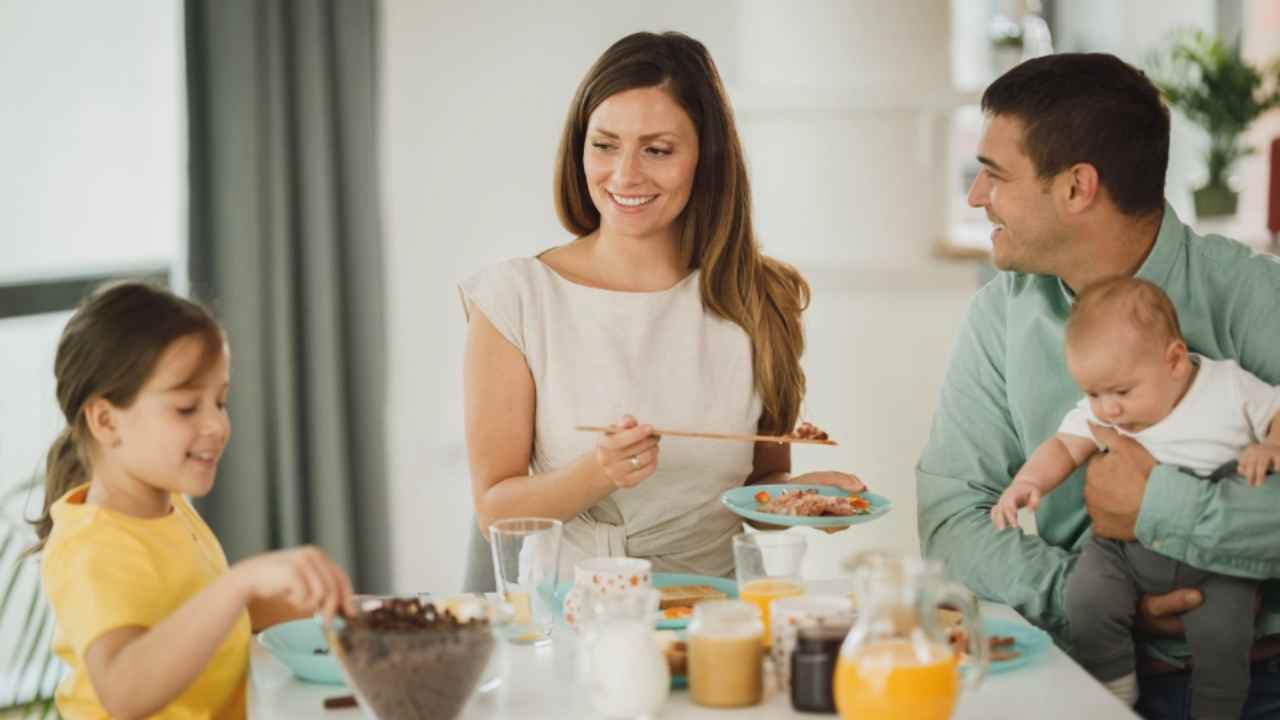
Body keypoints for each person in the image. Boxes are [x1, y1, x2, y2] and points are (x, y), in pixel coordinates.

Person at [915, 52, 1280, 719]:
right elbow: (950, 519)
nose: (975, 196)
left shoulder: (1255, 298)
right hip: (1069, 664)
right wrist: (1095, 597)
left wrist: (1162, 508)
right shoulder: (1001, 314)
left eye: (994, 174)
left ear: (1078, 187)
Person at [460, 31, 863, 579]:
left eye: (657, 149)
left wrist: (805, 499)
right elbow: (494, 512)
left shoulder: (759, 297)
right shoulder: (515, 298)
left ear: (706, 158)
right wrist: (597, 473)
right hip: (573, 610)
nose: (625, 175)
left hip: (718, 617)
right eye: (604, 145)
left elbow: (756, 493)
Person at [31, 282, 355, 719]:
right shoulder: (92, 547)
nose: (217, 426)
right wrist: (241, 581)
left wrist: (348, 615)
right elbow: (125, 692)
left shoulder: (171, 506)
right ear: (106, 421)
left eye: (220, 402)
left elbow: (207, 613)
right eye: (187, 408)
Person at [990, 277, 1280, 715]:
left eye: (1122, 392)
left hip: (1214, 558)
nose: (1108, 410)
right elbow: (1066, 446)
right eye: (1093, 393)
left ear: (1175, 360)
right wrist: (1028, 483)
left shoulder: (1228, 387)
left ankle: (1215, 710)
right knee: (1087, 596)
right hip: (1124, 550)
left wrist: (1271, 446)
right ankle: (1114, 688)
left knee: (1225, 634)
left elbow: (1276, 411)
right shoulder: (1105, 406)